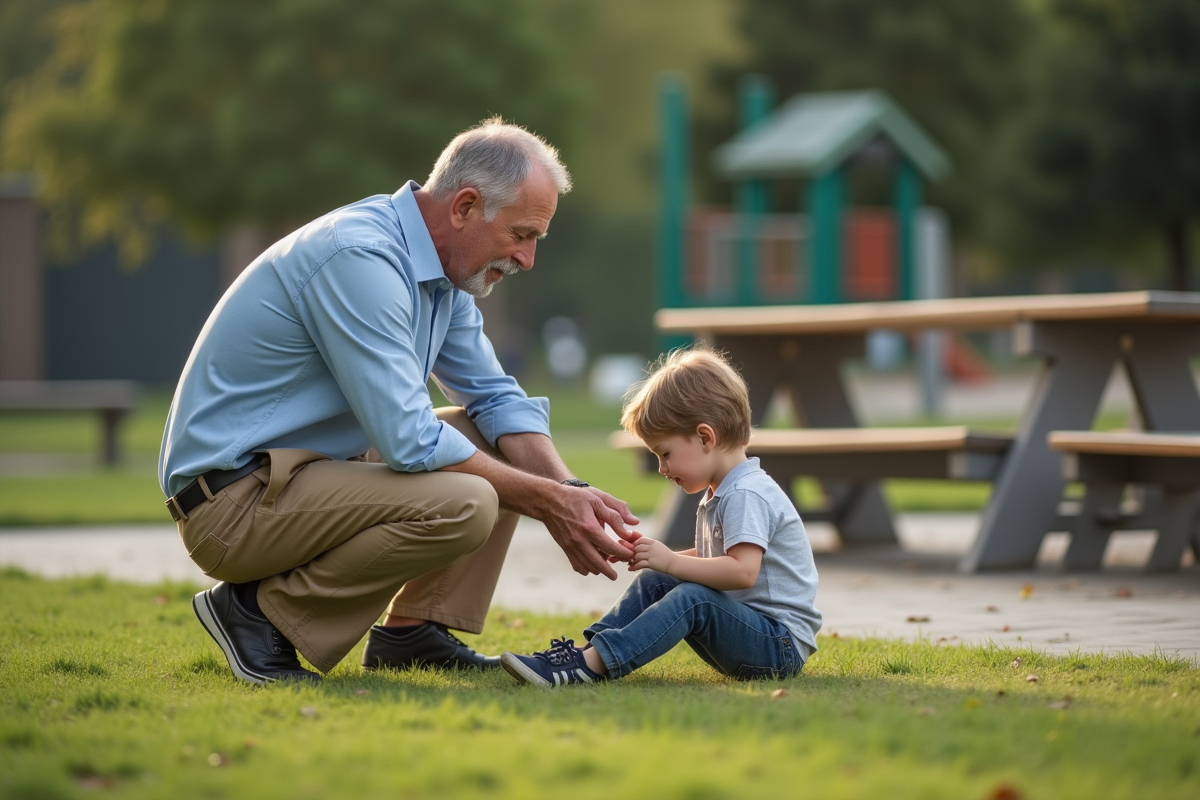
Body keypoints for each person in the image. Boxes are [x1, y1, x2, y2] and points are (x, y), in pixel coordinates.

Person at [159, 117, 639, 685]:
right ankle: (258, 618)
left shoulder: (444, 273)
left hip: (296, 480)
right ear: (464, 207)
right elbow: (409, 440)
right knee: (467, 502)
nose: (528, 259)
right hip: (229, 506)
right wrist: (546, 502)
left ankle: (412, 633)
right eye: (521, 235)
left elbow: (495, 397)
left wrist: (569, 490)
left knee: (497, 446)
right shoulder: (358, 257)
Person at [501, 346, 821, 687]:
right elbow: (719, 559)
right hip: (753, 630)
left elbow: (742, 571)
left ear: (704, 437)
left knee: (691, 598)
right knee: (658, 580)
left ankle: (591, 665)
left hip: (778, 646)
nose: (661, 468)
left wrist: (670, 561)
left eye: (665, 453)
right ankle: (586, 654)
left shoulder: (746, 494)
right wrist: (658, 558)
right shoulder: (726, 489)